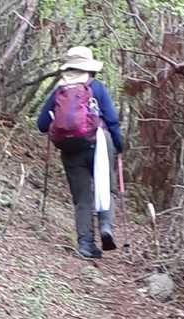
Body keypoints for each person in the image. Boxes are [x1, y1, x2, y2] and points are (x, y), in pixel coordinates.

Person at [37, 44, 124, 261]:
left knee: (82, 198)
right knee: (105, 186)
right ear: (89, 67)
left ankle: (86, 245)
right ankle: (106, 226)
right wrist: (119, 145)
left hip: (70, 150)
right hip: (99, 143)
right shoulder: (96, 87)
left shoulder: (59, 91)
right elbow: (112, 120)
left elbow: (41, 124)